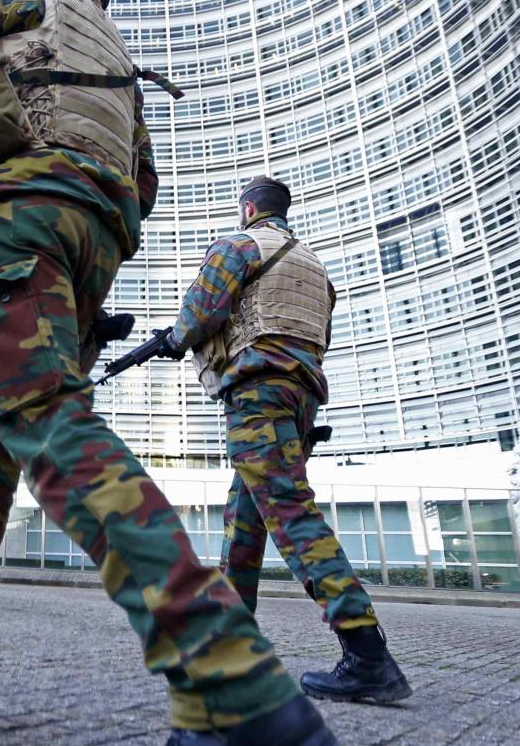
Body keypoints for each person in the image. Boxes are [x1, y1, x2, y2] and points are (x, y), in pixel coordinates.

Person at [0, 0, 344, 746]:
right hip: (97, 237)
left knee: (42, 417)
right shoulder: (111, 47)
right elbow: (143, 179)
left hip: (23, 222)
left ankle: (235, 686)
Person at [155, 175, 410, 705]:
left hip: (258, 394)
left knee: (290, 514)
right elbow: (320, 340)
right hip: (300, 398)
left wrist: (173, 341)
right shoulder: (316, 269)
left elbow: (200, 315)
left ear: (248, 209)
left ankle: (367, 656)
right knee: (246, 522)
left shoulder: (238, 246)